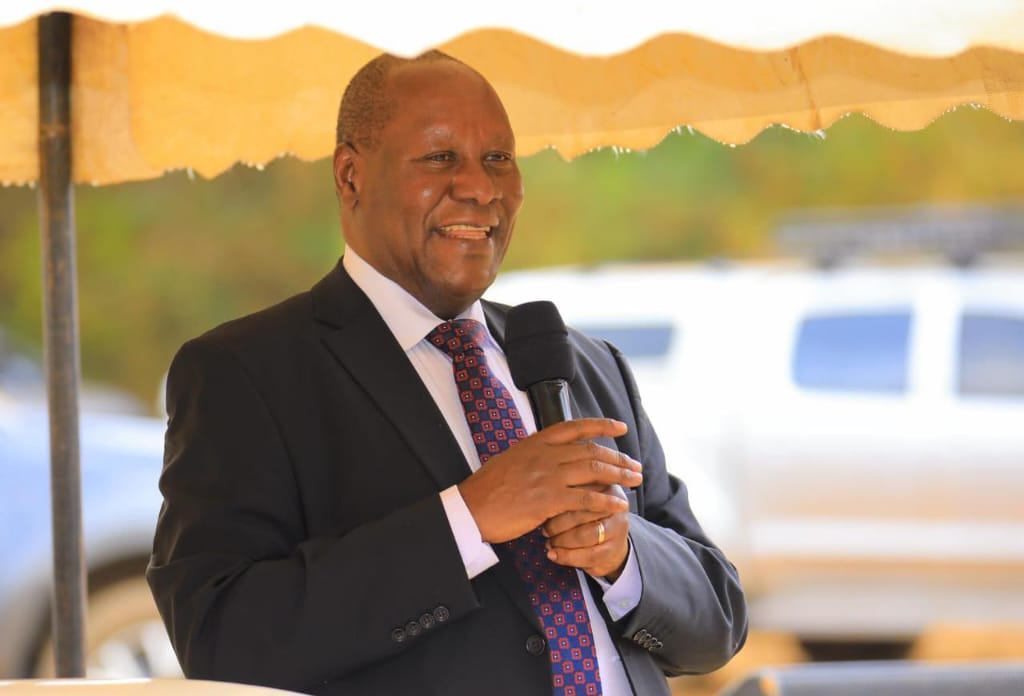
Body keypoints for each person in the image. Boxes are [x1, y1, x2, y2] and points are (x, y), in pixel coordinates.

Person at [147, 51, 747, 696]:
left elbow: (719, 624)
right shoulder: (246, 373)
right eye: (439, 158)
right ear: (350, 176)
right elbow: (222, 640)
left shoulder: (585, 364)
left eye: (498, 158)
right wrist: (467, 518)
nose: (481, 188)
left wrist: (624, 557)